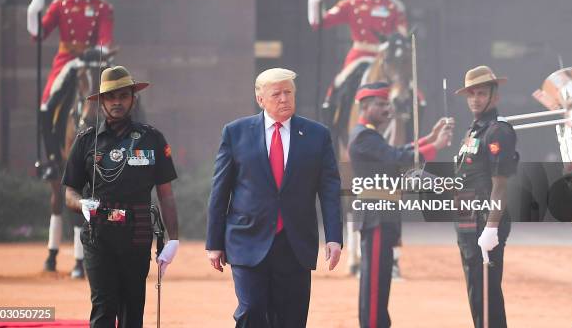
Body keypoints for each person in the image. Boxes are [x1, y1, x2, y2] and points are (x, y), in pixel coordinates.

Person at [205, 68, 343, 327]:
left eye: (288, 92)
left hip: (295, 243)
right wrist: (214, 242)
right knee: (251, 309)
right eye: (276, 94)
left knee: (291, 318)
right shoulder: (235, 133)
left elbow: (329, 190)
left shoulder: (317, 135)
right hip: (247, 239)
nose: (284, 99)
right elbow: (220, 191)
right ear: (260, 99)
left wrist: (334, 237)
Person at [62, 66, 179, 328]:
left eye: (123, 96)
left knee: (132, 312)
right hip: (98, 236)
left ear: (132, 99)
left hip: (136, 236)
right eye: (111, 97)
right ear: (101, 101)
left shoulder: (152, 139)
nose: (117, 102)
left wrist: (174, 239)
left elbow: (166, 195)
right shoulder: (85, 142)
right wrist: (80, 203)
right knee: (103, 310)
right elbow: (69, 191)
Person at [26, 0, 114, 277]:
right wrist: (34, 14)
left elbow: (105, 38)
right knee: (47, 103)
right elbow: (39, 35)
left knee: (123, 101)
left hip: (91, 63)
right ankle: (50, 159)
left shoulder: (103, 8)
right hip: (66, 61)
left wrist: (100, 53)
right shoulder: (60, 5)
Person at [348, 82, 453, 327]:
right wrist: (435, 146)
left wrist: (430, 138)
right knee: (374, 285)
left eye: (387, 103)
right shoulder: (364, 136)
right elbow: (397, 158)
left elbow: (395, 151)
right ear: (365, 106)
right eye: (381, 104)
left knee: (380, 280)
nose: (387, 108)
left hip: (382, 217)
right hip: (376, 218)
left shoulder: (369, 135)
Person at [307, 0, 408, 115]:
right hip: (359, 55)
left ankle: (411, 137)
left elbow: (402, 36)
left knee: (415, 95)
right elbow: (319, 23)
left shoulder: (394, 6)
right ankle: (332, 129)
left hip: (386, 57)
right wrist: (315, 1)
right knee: (336, 90)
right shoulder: (351, 4)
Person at [453, 66, 519, 328]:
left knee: (487, 297)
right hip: (468, 222)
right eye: (471, 94)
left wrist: (491, 228)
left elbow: (500, 185)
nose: (475, 99)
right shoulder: (473, 132)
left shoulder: (497, 131)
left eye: (482, 93)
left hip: (484, 222)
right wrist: (429, 180)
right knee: (476, 295)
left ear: (495, 96)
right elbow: (464, 180)